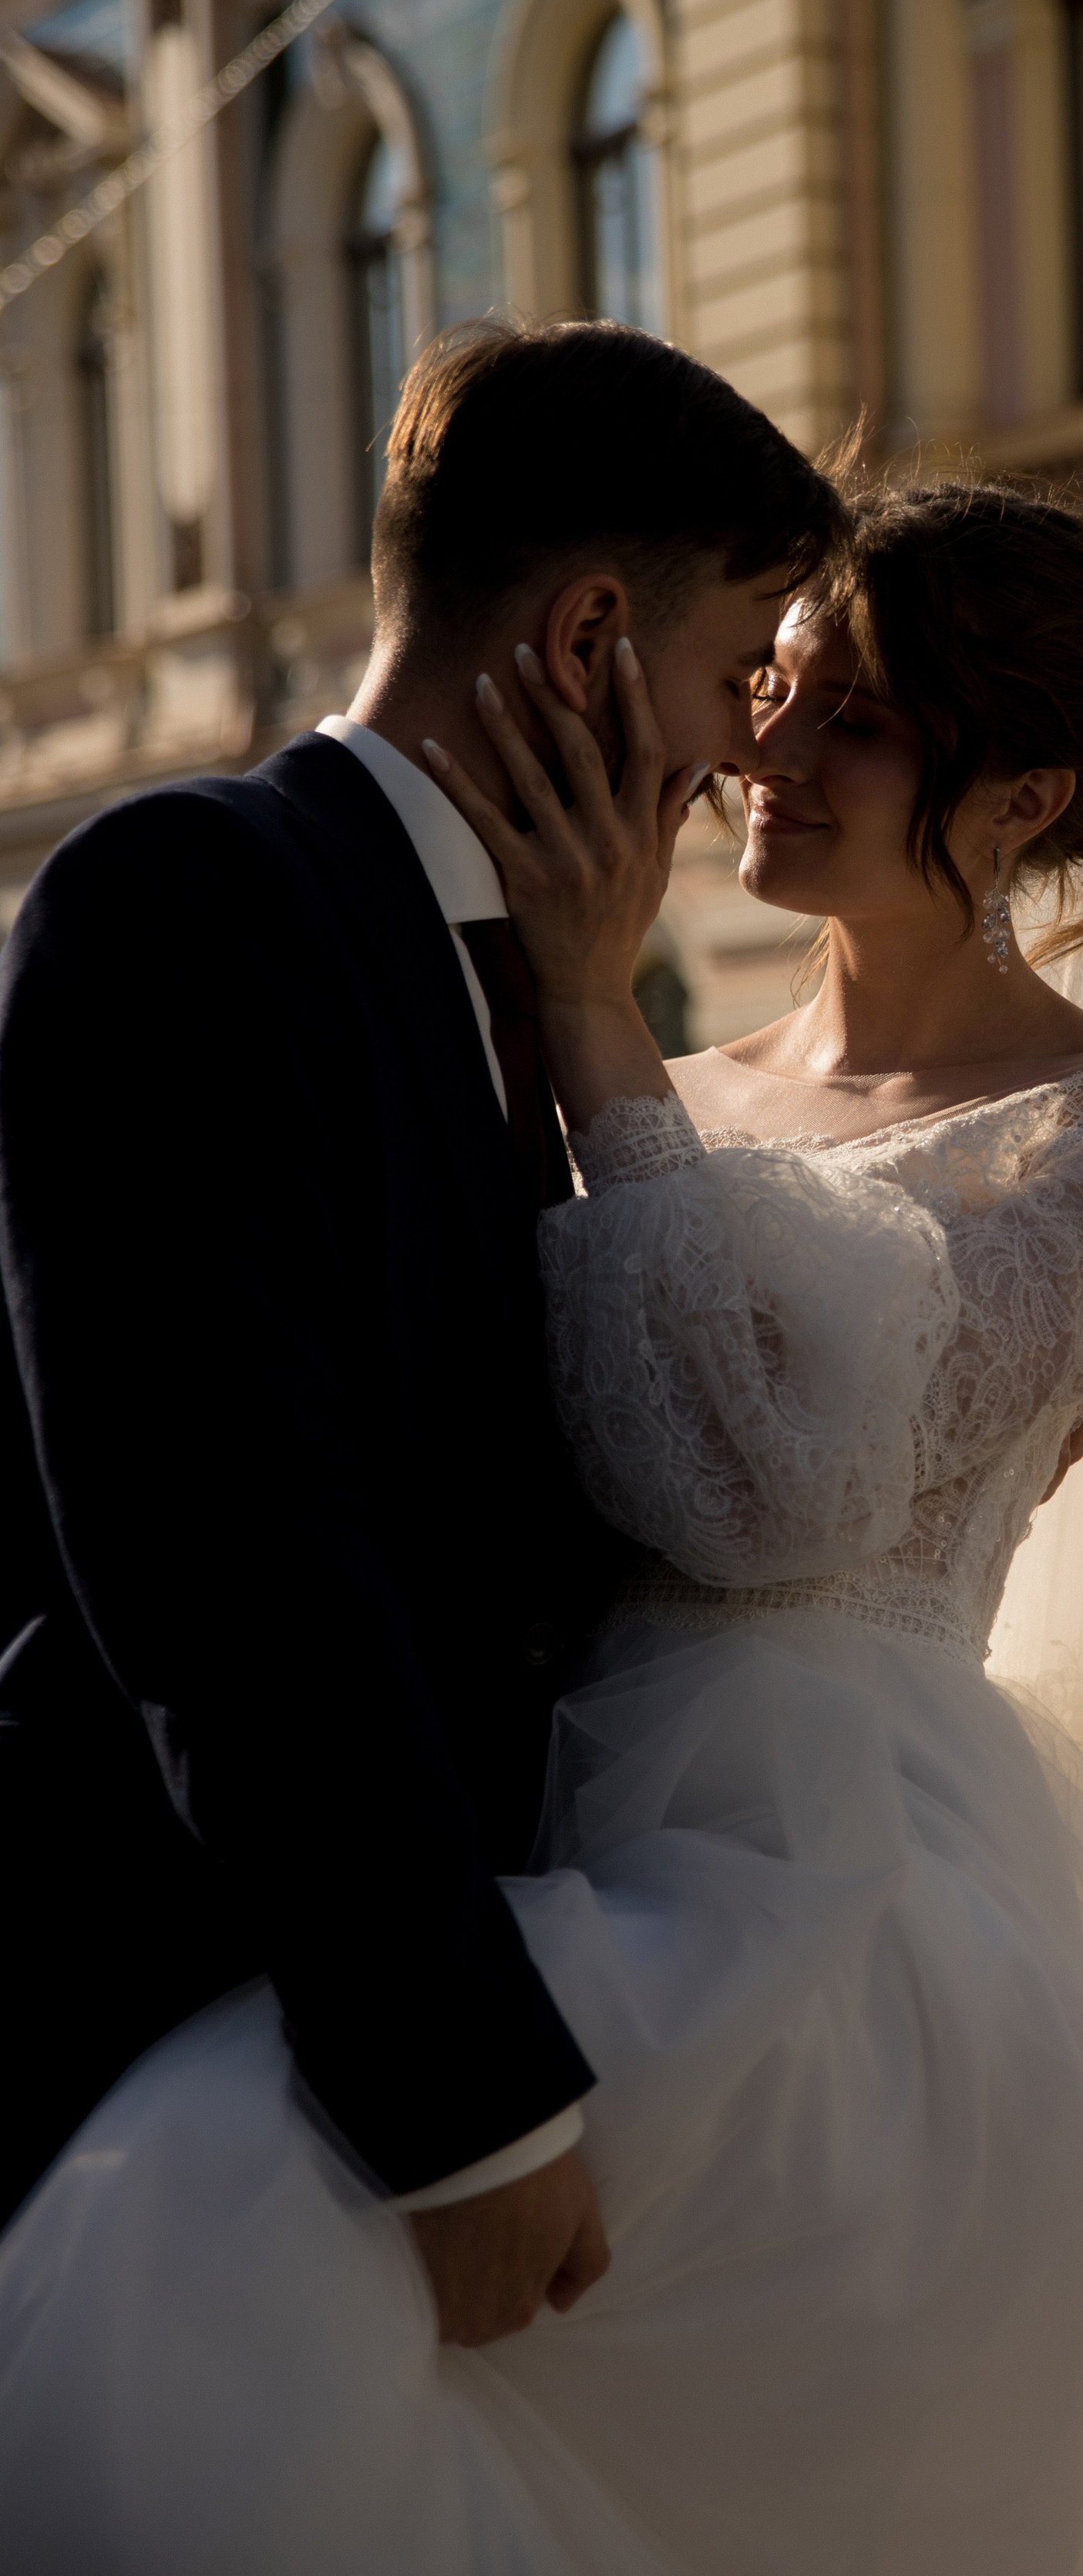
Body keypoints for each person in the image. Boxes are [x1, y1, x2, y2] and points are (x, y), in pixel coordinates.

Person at [0, 477, 1083, 2576]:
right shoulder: (670, 1074)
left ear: (1033, 793)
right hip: (540, 1814)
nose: (763, 759)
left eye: (857, 724)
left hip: (839, 1893)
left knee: (242, 2228)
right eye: (777, 690)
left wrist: (596, 1024)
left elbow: (773, 1502)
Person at [0, 320, 844, 2346]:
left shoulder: (545, 976)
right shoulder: (189, 896)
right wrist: (463, 2107)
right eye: (739, 677)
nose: (749, 755)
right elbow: (227, 1542)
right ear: (586, 645)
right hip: (183, 2043)